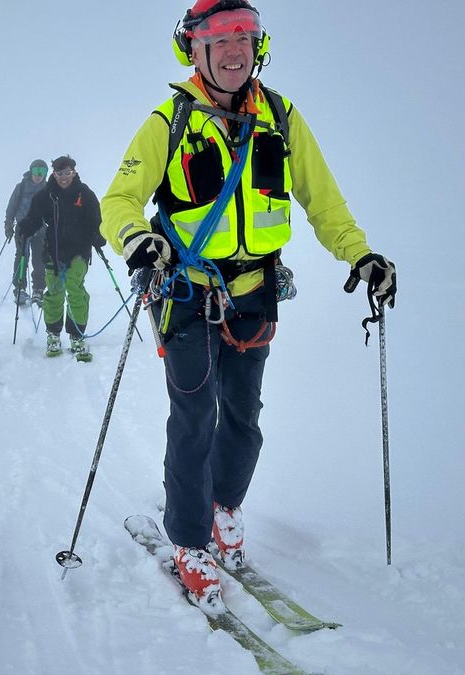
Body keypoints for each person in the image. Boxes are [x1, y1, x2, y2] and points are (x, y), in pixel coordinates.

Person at [101, 0, 396, 612]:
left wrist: (359, 255)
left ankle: (222, 508)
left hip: (256, 293)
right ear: (194, 49)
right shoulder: (171, 120)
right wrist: (139, 241)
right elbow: (119, 201)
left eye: (245, 35)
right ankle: (188, 540)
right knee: (193, 418)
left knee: (243, 417)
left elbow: (325, 203)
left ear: (258, 45)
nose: (235, 48)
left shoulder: (282, 119)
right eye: (219, 37)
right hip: (185, 293)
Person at [16, 156, 106, 360]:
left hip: (79, 251)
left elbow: (96, 220)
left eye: (67, 173)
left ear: (74, 172)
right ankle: (53, 335)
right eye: (59, 173)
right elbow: (34, 219)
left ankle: (76, 335)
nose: (64, 177)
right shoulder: (45, 196)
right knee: (54, 293)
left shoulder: (85, 194)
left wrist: (99, 236)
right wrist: (25, 227)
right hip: (53, 252)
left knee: (75, 290)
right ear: (53, 174)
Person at [4, 159, 49, 306]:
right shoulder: (22, 187)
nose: (39, 175)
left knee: (39, 258)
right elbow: (11, 207)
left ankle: (38, 289)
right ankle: (19, 288)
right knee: (22, 256)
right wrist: (8, 224)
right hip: (22, 228)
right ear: (31, 171)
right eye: (36, 171)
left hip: (41, 229)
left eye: (42, 172)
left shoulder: (48, 188)